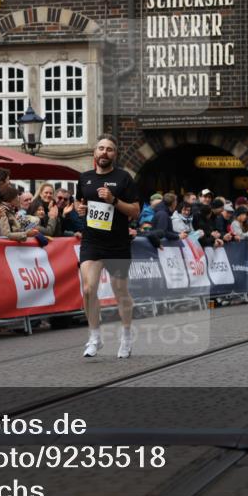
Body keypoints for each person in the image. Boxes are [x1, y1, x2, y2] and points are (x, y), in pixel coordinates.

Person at [74, 135, 140, 358]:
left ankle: (127, 336)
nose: (104, 152)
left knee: (120, 291)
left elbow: (135, 211)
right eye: (101, 148)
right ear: (94, 152)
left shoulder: (124, 178)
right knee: (88, 289)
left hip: (117, 244)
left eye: (109, 149)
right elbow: (80, 203)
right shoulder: (85, 178)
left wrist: (113, 200)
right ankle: (94, 337)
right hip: (92, 241)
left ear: (115, 154)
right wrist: (80, 210)